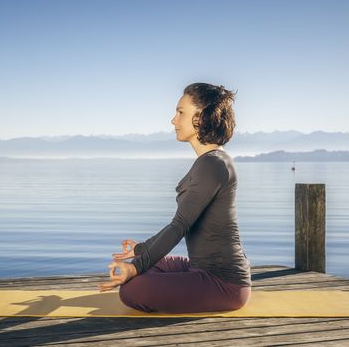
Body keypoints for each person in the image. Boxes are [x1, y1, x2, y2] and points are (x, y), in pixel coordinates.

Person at [97, 82, 252, 314]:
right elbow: (178, 222)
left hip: (224, 284)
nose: (173, 120)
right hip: (199, 268)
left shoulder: (213, 164)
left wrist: (136, 267)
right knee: (147, 265)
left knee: (131, 290)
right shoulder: (209, 161)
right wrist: (140, 250)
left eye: (180, 112)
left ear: (201, 118)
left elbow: (179, 225)